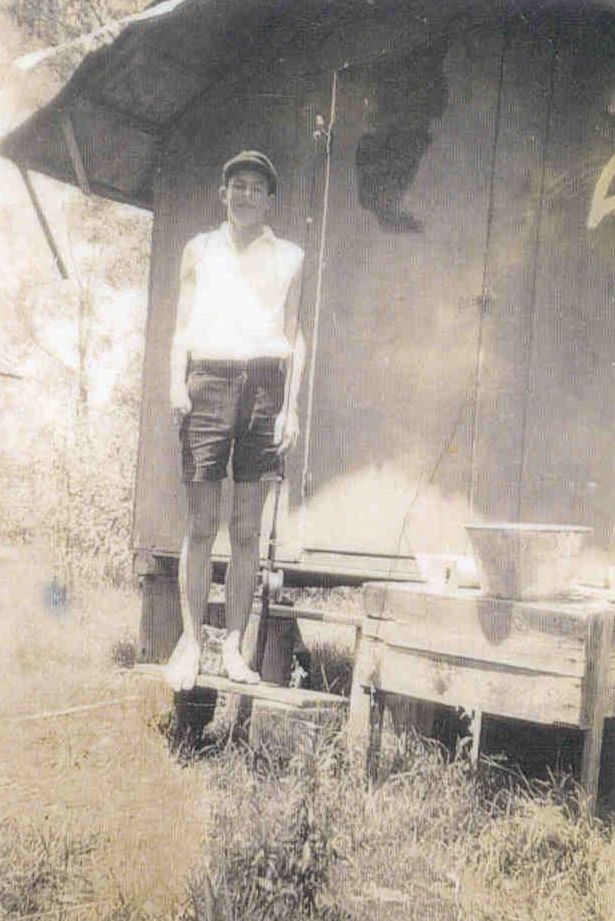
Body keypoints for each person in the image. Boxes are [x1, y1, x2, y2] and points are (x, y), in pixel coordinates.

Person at [165, 150, 306, 691]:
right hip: (207, 381)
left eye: (256, 187)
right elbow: (181, 325)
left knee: (246, 530)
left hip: (265, 385)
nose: (246, 194)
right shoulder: (199, 250)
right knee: (202, 525)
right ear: (223, 194)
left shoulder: (290, 256)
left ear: (269, 199)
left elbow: (294, 335)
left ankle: (234, 648)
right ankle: (190, 643)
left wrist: (290, 405)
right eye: (237, 185)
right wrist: (176, 383)